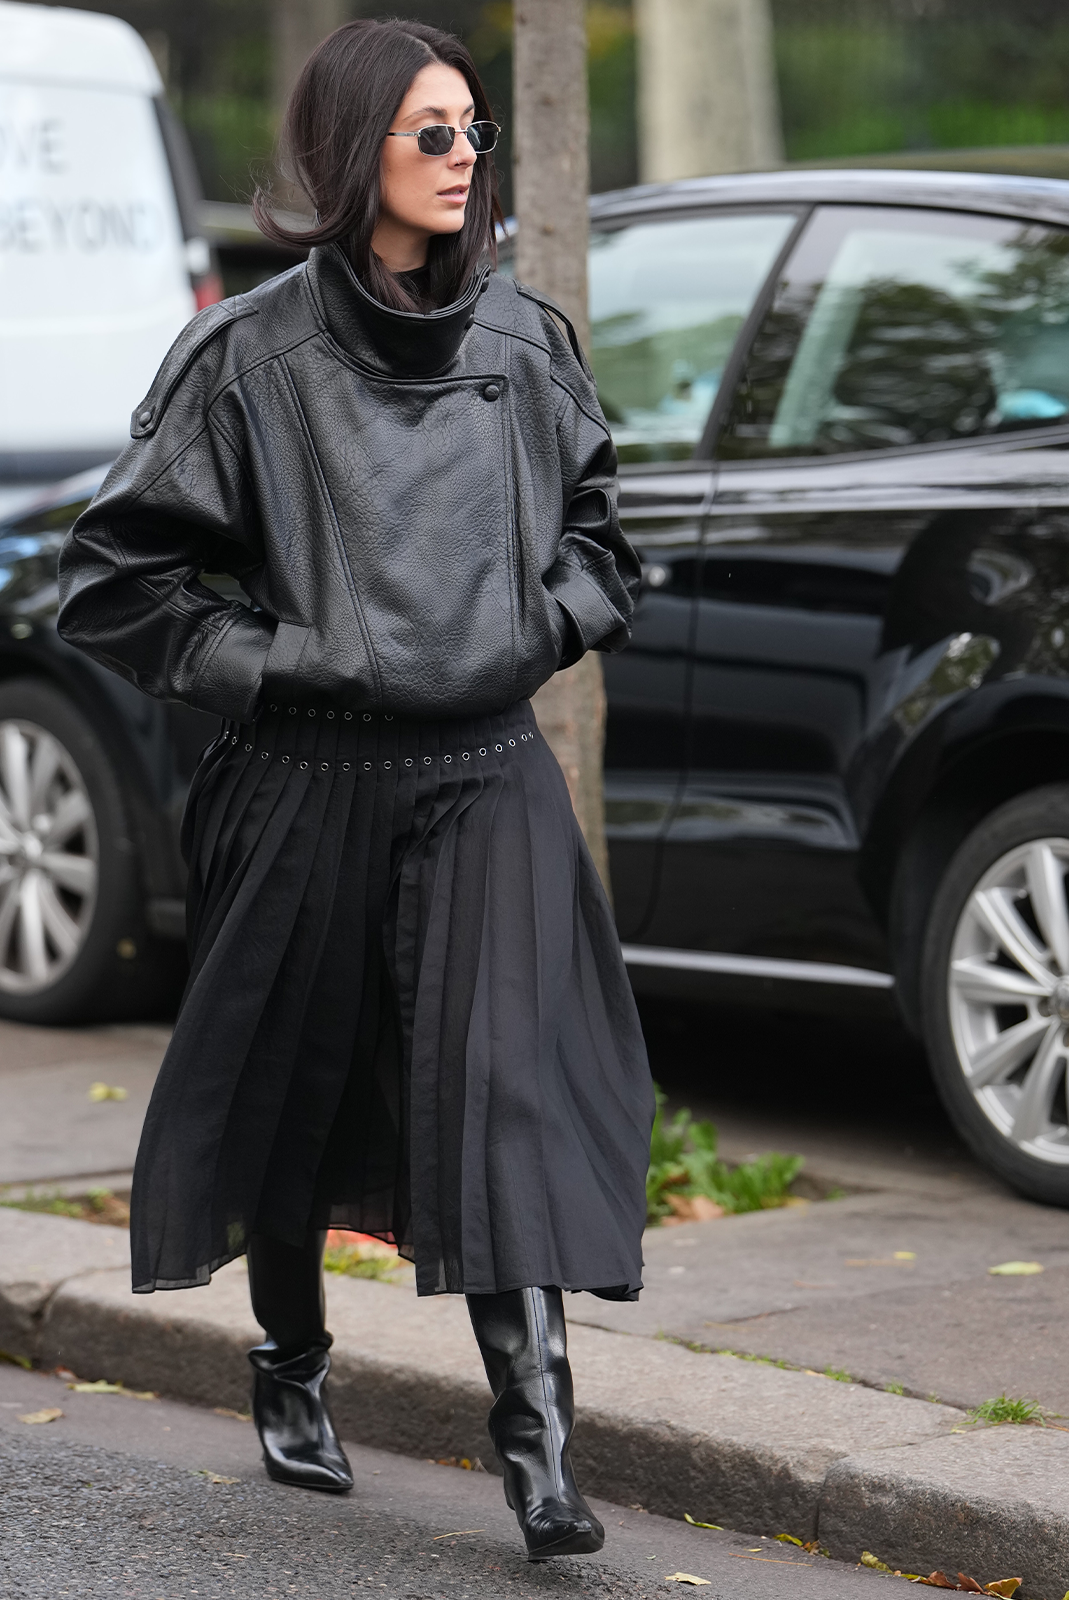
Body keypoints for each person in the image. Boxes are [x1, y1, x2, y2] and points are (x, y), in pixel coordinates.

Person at [56, 16, 654, 1563]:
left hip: (485, 774)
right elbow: (116, 584)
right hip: (306, 778)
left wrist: (537, 625)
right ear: (350, 154)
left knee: (504, 1095)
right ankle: (290, 1367)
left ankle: (539, 1457)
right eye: (433, 134)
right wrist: (284, 661)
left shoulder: (527, 343)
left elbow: (605, 541)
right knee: (295, 1094)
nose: (467, 162)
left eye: (476, 134)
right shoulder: (245, 353)